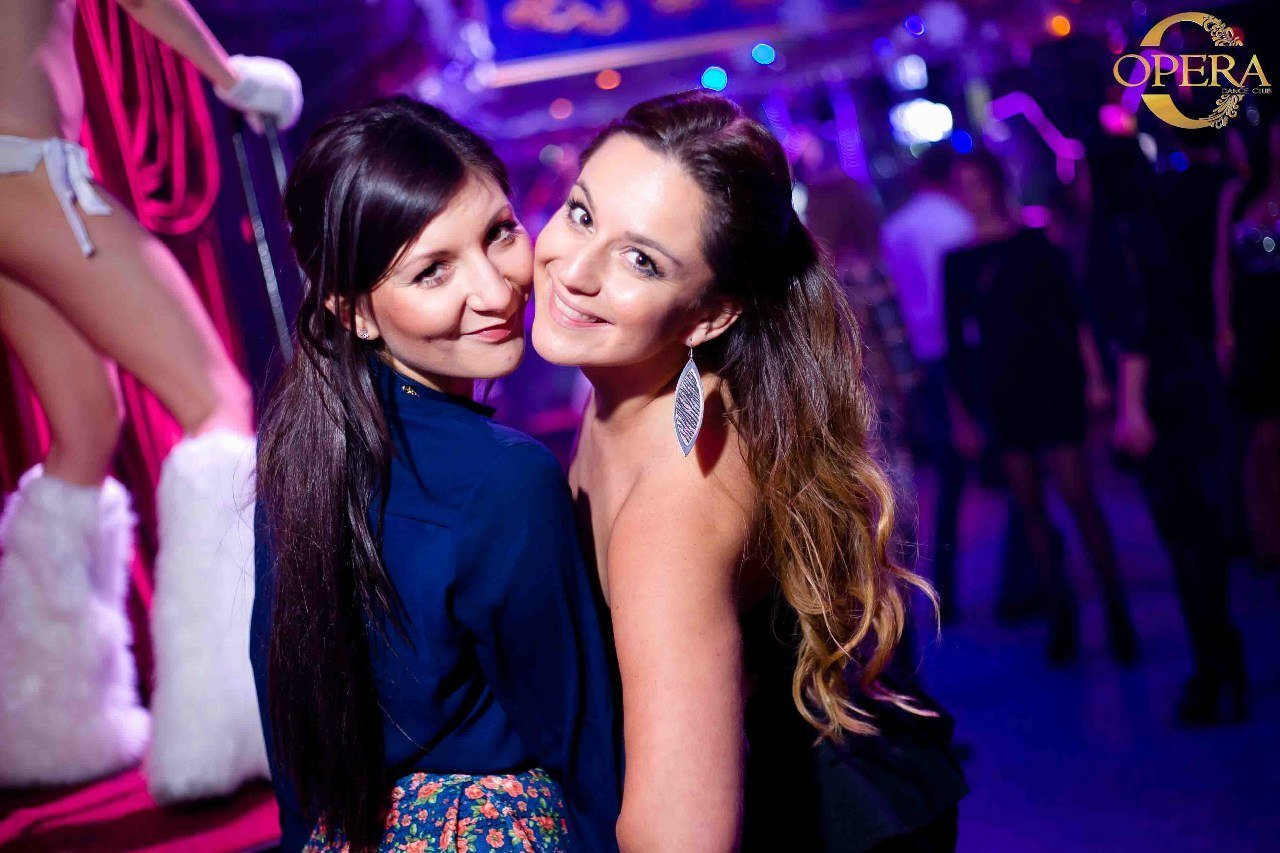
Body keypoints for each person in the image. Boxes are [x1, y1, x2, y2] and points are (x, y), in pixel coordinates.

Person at [531, 91, 967, 852]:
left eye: (641, 260)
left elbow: (681, 840)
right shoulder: (630, 387)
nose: (575, 269)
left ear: (710, 315)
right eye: (581, 213)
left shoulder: (675, 507)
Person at [252, 97, 621, 853]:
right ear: (353, 312)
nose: (496, 291)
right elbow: (588, 754)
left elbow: (295, 762)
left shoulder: (298, 454)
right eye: (432, 272)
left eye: (499, 233)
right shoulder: (505, 479)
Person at [0, 0, 301, 801]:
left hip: (17, 177)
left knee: (85, 428)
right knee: (216, 401)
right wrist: (231, 78)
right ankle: (235, 720)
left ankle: (49, 722)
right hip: (28, 174)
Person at [944, 148, 1135, 666]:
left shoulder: (1035, 243)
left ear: (995, 185)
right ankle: (1061, 614)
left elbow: (1074, 314)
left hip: (1053, 378)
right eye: (963, 185)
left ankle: (1116, 609)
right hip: (1002, 389)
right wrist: (963, 415)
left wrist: (1096, 377)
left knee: (1078, 495)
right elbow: (956, 347)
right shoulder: (957, 262)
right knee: (1029, 507)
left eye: (978, 182)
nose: (971, 194)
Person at [1087, 133, 1247, 726]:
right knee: (1201, 533)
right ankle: (1223, 663)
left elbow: (1136, 323)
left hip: (1159, 396)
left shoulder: (1120, 233)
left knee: (1184, 537)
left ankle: (1213, 671)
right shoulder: (1164, 218)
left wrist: (1130, 406)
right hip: (1192, 382)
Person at [880, 146, 975, 624]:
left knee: (947, 476)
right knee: (1000, 464)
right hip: (961, 353)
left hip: (919, 353)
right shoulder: (959, 221)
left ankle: (946, 588)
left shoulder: (896, 227)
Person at [1215, 113, 1280, 575]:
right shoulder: (1237, 194)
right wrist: (1225, 331)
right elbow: (1222, 267)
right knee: (1261, 437)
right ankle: (1266, 535)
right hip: (1255, 325)